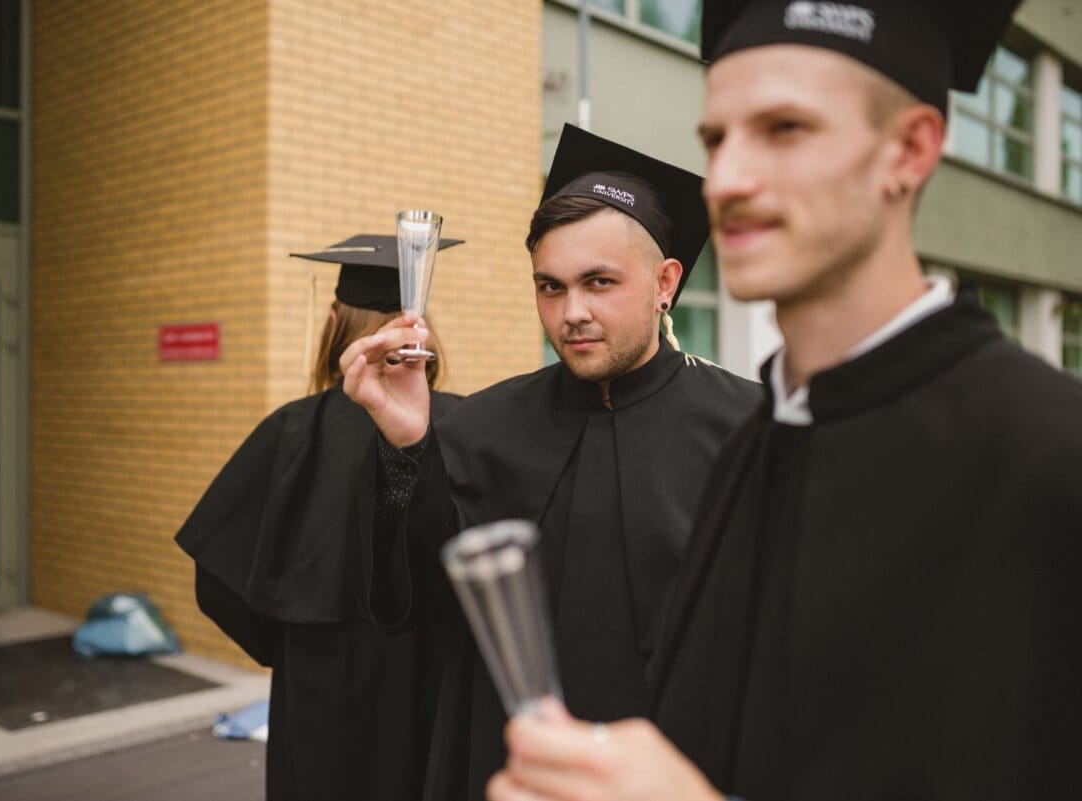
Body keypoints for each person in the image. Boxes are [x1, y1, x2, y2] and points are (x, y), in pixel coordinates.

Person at [489, 1, 1082, 800]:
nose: (727, 178)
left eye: (785, 129)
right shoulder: (760, 439)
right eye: (717, 138)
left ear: (909, 149)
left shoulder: (1050, 458)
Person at [339, 125, 762, 801]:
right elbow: (416, 605)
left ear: (665, 281)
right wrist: (408, 448)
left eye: (599, 282)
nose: (572, 313)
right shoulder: (481, 425)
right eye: (550, 287)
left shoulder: (750, 429)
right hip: (514, 771)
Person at [174, 233, 462, 800]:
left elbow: (217, 580)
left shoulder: (291, 431)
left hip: (317, 694)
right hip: (428, 690)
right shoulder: (468, 426)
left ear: (336, 319)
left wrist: (289, 639)